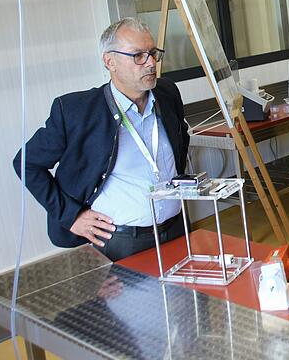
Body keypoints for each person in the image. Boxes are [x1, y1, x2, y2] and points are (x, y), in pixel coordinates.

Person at [13, 17, 190, 261]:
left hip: (177, 230)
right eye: (138, 55)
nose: (151, 63)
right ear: (110, 61)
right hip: (121, 242)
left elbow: (181, 138)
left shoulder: (167, 94)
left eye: (153, 53)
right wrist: (71, 216)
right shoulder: (77, 111)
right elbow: (26, 163)